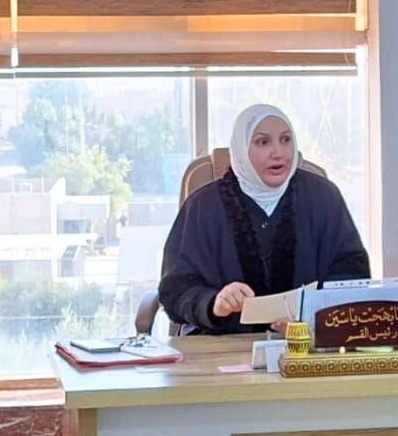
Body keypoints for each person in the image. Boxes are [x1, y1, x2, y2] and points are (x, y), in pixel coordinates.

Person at [158, 104, 370, 334]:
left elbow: (352, 274)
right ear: (241, 149)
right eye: (263, 142)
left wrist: (312, 315)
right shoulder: (202, 206)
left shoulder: (324, 196)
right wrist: (213, 303)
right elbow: (175, 288)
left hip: (305, 340)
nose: (278, 152)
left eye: (285, 140)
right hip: (223, 342)